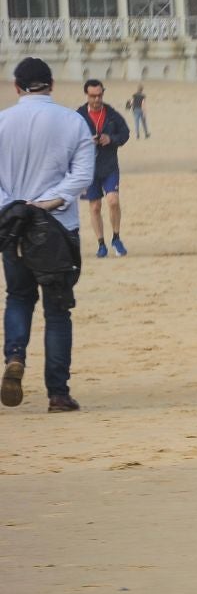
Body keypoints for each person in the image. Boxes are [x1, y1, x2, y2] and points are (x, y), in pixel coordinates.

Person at [0, 58, 95, 413]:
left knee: (19, 297)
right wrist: (48, 202)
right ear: (51, 85)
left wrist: (14, 207)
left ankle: (14, 356)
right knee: (57, 311)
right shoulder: (73, 121)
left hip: (15, 226)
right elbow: (82, 176)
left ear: (17, 87)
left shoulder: (3, 121)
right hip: (56, 226)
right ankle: (58, 393)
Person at [76, 79, 132, 258]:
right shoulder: (79, 115)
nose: (97, 99)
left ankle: (116, 237)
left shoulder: (112, 114)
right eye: (93, 96)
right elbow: (70, 140)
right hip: (88, 168)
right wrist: (86, 142)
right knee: (95, 207)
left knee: (113, 201)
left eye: (99, 95)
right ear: (87, 95)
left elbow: (125, 133)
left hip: (109, 166)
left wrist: (111, 139)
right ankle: (101, 243)